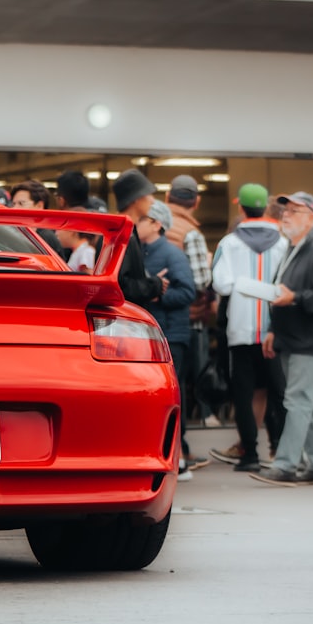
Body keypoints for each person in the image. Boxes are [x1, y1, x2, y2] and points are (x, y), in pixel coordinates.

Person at [209, 183, 288, 472]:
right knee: (278, 392)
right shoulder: (283, 242)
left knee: (243, 393)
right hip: (275, 330)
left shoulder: (228, 243)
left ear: (240, 208)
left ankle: (250, 455)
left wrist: (246, 286)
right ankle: (280, 451)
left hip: (240, 329)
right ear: (265, 208)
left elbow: (222, 284)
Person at [250, 191, 313, 486]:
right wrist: (273, 330)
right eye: (286, 209)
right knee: (312, 402)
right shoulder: (294, 248)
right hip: (295, 338)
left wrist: (294, 298)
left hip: (310, 340)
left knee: (298, 401)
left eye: (295, 210)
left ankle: (285, 464)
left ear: (311, 218)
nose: (286, 214)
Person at [137, 199, 197, 481]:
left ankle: (180, 458)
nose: (136, 225)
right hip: (152, 336)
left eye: (141, 220)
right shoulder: (142, 252)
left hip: (172, 335)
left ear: (156, 224)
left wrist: (157, 295)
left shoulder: (173, 255)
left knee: (174, 396)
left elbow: (188, 292)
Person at [165, 175, 216, 428]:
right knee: (190, 377)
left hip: (159, 315)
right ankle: (206, 418)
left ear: (167, 197)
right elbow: (199, 281)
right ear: (196, 202)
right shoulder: (192, 234)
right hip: (189, 318)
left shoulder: (154, 225)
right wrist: (208, 264)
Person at [111, 169, 166, 306]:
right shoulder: (121, 234)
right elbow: (120, 286)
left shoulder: (122, 230)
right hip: (124, 323)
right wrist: (154, 285)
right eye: (148, 195)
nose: (153, 201)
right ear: (135, 199)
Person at [10, 179, 64, 255]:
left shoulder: (46, 238)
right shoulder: (17, 233)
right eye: (13, 204)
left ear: (39, 206)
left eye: (21, 203)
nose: (14, 208)